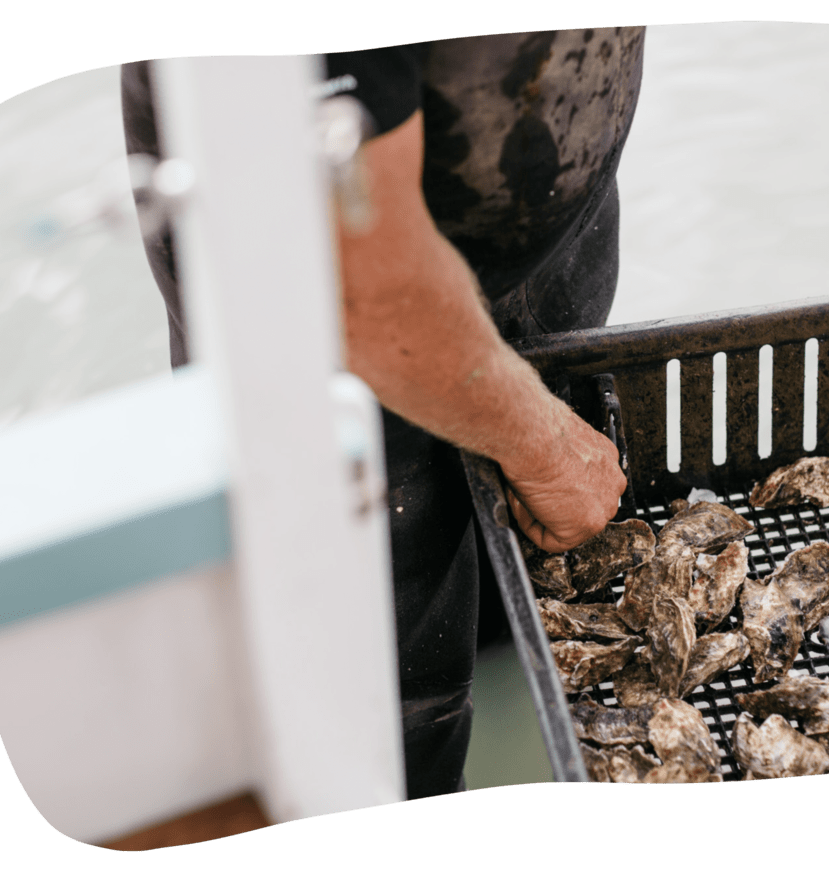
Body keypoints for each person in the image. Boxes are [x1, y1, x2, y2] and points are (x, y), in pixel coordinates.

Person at [121, 26, 644, 799]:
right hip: (334, 340)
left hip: (538, 231)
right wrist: (542, 446)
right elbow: (351, 282)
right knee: (390, 721)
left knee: (535, 633)